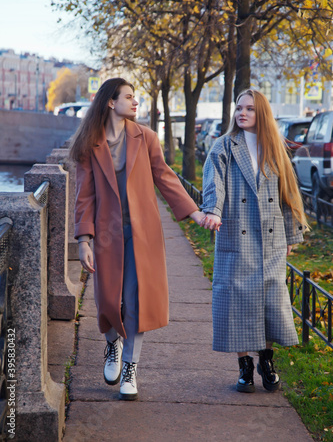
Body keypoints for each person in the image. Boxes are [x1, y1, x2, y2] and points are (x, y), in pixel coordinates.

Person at [70, 78, 204, 401]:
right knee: (107, 301)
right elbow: (84, 197)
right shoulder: (91, 144)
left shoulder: (146, 138)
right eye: (129, 97)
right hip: (105, 236)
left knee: (135, 301)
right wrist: (84, 241)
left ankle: (130, 366)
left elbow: (165, 177)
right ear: (110, 103)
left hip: (142, 235)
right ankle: (112, 346)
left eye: (135, 97)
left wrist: (195, 213)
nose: (135, 102)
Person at [200, 88, 307, 393]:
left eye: (249, 109)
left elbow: (288, 195)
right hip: (236, 232)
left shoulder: (275, 148)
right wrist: (213, 211)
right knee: (236, 302)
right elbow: (214, 182)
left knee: (270, 302)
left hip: (271, 239)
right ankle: (244, 367)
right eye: (238, 108)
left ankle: (267, 360)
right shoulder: (223, 146)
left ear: (262, 114)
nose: (242, 113)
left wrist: (291, 234)